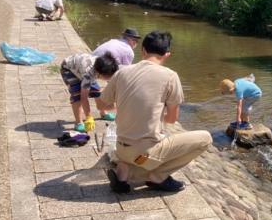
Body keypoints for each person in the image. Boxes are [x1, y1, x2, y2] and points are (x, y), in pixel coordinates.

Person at [97, 31, 212, 194]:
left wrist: (124, 106)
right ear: (167, 55)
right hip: (144, 153)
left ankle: (124, 173)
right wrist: (156, 115)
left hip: (121, 148)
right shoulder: (170, 76)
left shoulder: (121, 72)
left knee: (136, 149)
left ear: (143, 50)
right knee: (205, 138)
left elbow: (101, 104)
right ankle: (158, 177)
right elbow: (172, 119)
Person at [60, 52, 119, 132]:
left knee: (96, 91)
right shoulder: (89, 75)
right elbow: (84, 98)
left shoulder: (102, 65)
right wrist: (89, 116)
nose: (109, 79)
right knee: (77, 95)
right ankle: (79, 123)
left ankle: (103, 113)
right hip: (69, 69)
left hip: (82, 68)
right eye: (108, 77)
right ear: (99, 74)